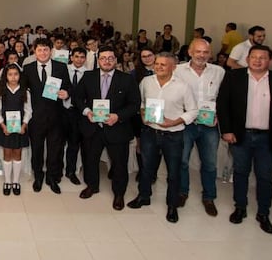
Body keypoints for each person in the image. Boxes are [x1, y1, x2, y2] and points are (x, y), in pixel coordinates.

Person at [217, 45, 272, 233]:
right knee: (240, 172)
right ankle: (240, 207)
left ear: (270, 60)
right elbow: (222, 104)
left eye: (262, 57)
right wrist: (226, 130)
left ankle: (263, 212)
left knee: (265, 176)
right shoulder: (234, 77)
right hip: (241, 135)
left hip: (267, 137)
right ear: (247, 59)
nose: (257, 60)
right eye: (254, 57)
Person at [128, 52, 197, 224]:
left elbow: (193, 111)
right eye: (157, 64)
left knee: (173, 172)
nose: (158, 67)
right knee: (146, 168)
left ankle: (172, 205)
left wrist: (175, 121)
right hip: (150, 132)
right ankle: (144, 196)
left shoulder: (183, 86)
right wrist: (143, 114)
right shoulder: (146, 82)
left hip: (173, 135)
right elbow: (142, 103)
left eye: (163, 64)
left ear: (173, 67)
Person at [73, 46, 141, 210]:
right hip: (92, 127)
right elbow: (78, 97)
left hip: (117, 128)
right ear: (98, 60)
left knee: (119, 163)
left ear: (116, 61)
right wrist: (87, 111)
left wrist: (118, 116)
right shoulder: (88, 76)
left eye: (110, 58)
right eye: (103, 58)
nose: (107, 61)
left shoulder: (126, 79)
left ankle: (119, 193)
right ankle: (92, 186)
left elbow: (134, 104)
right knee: (90, 159)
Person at [173, 39, 225, 216]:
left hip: (209, 125)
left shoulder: (219, 72)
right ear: (190, 52)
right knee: (182, 161)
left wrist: (219, 115)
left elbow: (224, 98)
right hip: (186, 123)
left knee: (210, 163)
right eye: (198, 52)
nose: (202, 55)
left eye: (205, 52)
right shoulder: (178, 71)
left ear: (210, 54)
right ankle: (182, 192)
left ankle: (209, 197)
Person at [22, 38, 71, 194]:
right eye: (39, 50)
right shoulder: (28, 68)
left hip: (56, 116)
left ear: (51, 51)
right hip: (36, 117)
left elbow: (68, 86)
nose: (42, 53)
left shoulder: (61, 67)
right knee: (36, 149)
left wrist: (66, 93)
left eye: (45, 50)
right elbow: (23, 91)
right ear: (34, 51)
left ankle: (52, 177)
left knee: (54, 150)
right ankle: (38, 177)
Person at [0, 64, 32, 196]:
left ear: (19, 76)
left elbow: (28, 111)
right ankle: (7, 181)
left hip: (20, 128)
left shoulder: (25, 92)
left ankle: (16, 181)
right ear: (5, 76)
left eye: (16, 74)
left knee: (17, 153)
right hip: (6, 129)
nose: (13, 77)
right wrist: (3, 125)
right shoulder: (0, 91)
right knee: (7, 153)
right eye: (10, 74)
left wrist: (24, 125)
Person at [64, 47, 88, 185]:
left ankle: (71, 171)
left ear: (85, 59)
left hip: (78, 113)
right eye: (76, 56)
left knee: (74, 143)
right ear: (71, 57)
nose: (79, 59)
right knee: (58, 143)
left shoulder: (89, 74)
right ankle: (56, 170)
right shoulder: (63, 70)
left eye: (82, 57)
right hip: (62, 110)